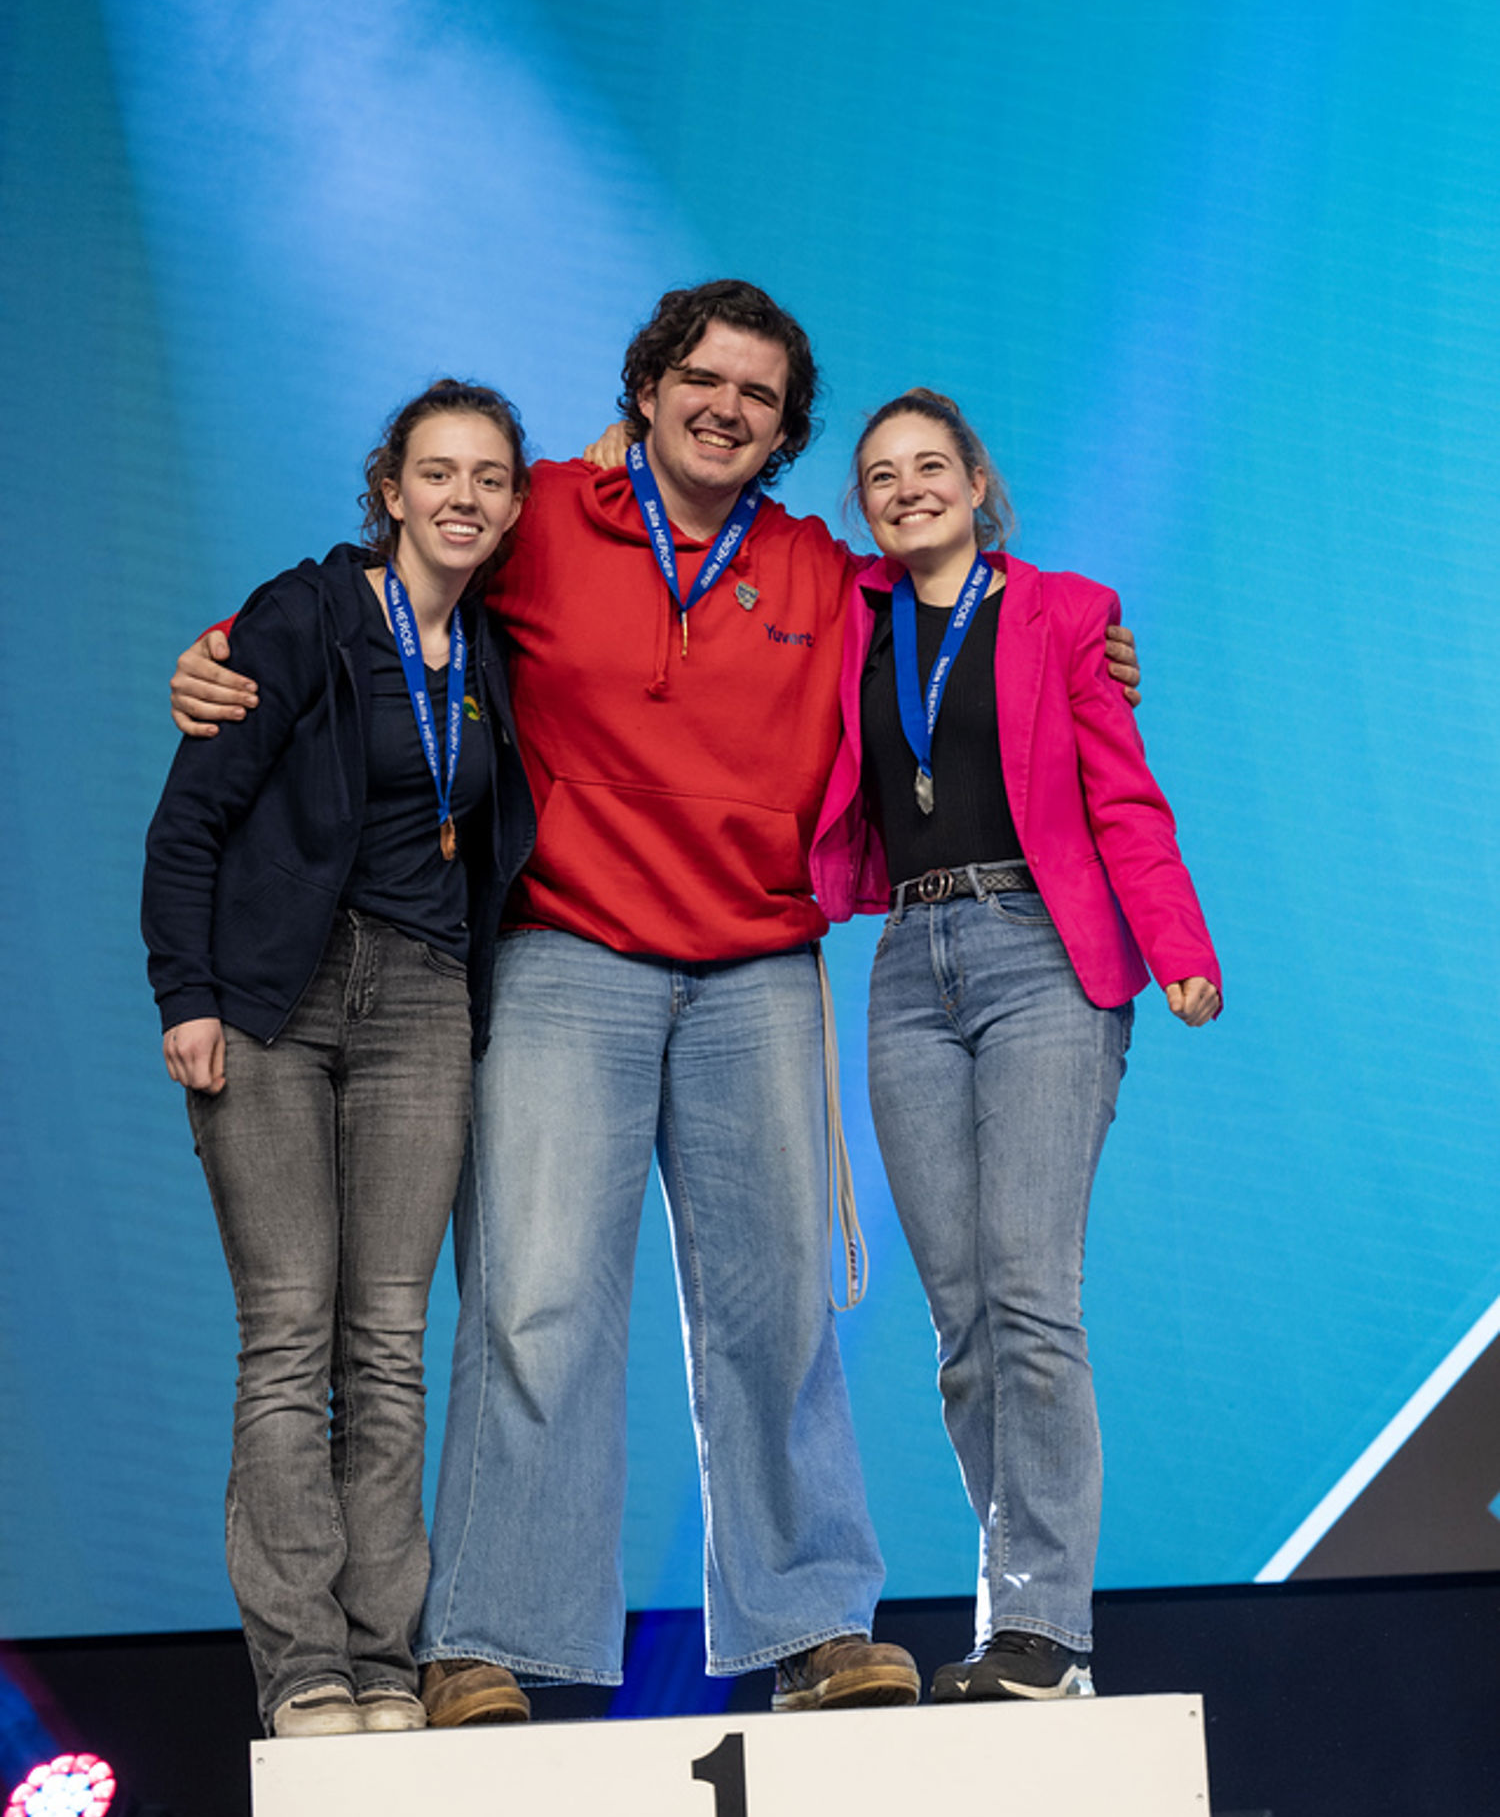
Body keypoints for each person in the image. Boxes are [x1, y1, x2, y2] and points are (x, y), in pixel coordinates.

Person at [167, 284, 1144, 1721]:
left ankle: (813, 1624)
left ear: (785, 432)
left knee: (778, 1311)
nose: (726, 407)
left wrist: (1088, 647)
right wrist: (224, 648)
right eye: (703, 378)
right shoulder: (547, 516)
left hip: (759, 968)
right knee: (533, 1298)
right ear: (646, 387)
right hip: (570, 953)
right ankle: (489, 1635)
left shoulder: (819, 569)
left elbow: (964, 612)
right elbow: (387, 590)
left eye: (760, 395)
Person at [810, 389, 1220, 1702]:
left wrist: (1180, 945)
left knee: (1031, 1294)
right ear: (863, 506)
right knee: (965, 1323)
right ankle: (1024, 1623)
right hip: (906, 967)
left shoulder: (1068, 614)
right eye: (882, 474)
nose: (909, 488)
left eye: (932, 465)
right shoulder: (848, 617)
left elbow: (1124, 799)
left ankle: (1043, 1628)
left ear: (979, 484)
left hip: (1041, 952)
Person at [143, 381, 534, 1736]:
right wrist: (186, 994)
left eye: (490, 477)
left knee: (388, 1348)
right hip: (273, 1002)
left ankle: (382, 1659)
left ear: (514, 505)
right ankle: (303, 1663)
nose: (463, 497)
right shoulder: (303, 616)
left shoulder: (490, 654)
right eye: (438, 472)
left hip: (422, 1005)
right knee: (288, 1338)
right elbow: (190, 819)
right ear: (389, 491)